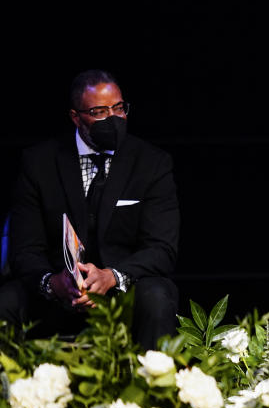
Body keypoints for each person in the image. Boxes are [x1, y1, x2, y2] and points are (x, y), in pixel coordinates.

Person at [0, 70, 179, 350]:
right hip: (58, 293)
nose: (113, 118)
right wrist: (54, 283)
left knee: (158, 295)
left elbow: (161, 248)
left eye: (119, 108)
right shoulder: (39, 163)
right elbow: (24, 249)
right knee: (7, 300)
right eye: (99, 111)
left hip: (123, 291)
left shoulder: (151, 163)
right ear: (75, 116)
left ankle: (153, 391)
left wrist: (112, 276)